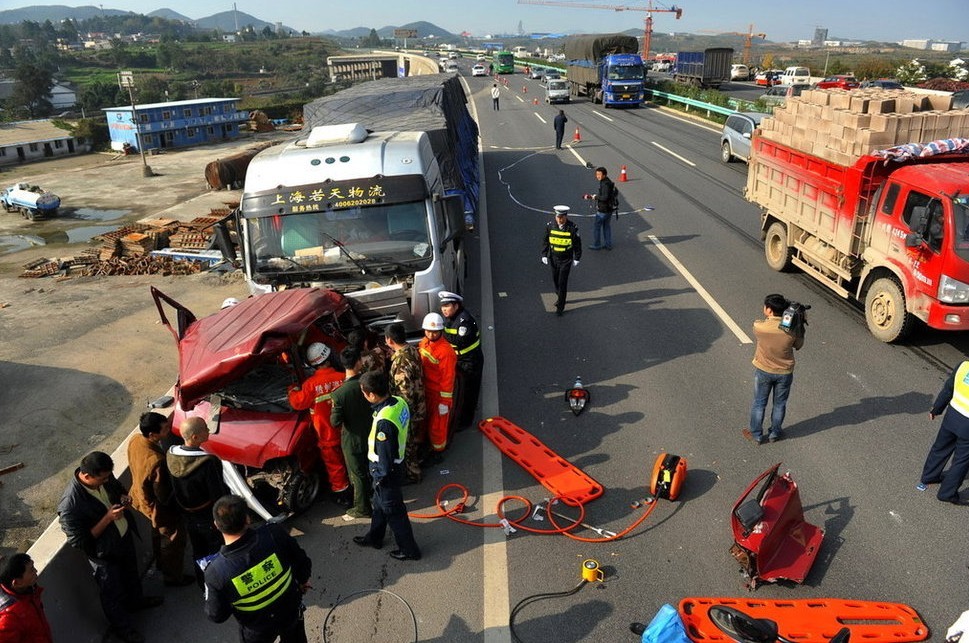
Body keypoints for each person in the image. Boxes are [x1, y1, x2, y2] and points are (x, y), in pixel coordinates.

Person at [58, 451, 163, 643]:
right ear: (87, 476)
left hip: (123, 539)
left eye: (108, 476)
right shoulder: (70, 505)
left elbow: (116, 486)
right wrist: (107, 519)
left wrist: (123, 496)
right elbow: (79, 541)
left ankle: (136, 602)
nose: (106, 480)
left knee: (131, 575)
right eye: (102, 478)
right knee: (111, 594)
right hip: (104, 555)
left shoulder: (105, 477)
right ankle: (124, 630)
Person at [204, 495, 312, 643]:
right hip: (290, 613)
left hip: (256, 631)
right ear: (248, 519)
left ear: (216, 525)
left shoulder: (215, 572)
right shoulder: (274, 534)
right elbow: (302, 562)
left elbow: (216, 615)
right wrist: (303, 581)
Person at [352, 370, 422, 561]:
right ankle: (375, 538)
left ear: (372, 395)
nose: (364, 395)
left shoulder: (384, 422)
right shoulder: (398, 402)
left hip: (386, 473)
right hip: (394, 467)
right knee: (379, 506)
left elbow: (385, 456)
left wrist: (380, 478)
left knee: (395, 513)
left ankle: (409, 550)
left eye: (364, 392)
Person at [127, 411, 192, 588]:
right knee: (173, 541)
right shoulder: (157, 461)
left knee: (158, 536)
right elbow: (164, 494)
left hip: (140, 500)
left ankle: (161, 564)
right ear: (152, 435)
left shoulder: (135, 441)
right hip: (159, 509)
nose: (168, 430)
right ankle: (173, 577)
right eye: (164, 429)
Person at [167, 416, 229, 584]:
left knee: (198, 549)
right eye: (205, 429)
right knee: (215, 550)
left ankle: (203, 582)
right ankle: (217, 583)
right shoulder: (207, 463)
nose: (209, 431)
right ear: (195, 437)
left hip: (186, 514)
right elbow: (218, 494)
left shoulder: (171, 455)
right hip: (207, 515)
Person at [288, 342, 351, 505]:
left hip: (327, 434)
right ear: (329, 357)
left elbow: (297, 403)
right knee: (353, 461)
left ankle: (343, 494)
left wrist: (292, 389)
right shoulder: (342, 377)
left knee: (335, 466)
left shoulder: (310, 385)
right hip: (347, 430)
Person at [743, 294, 804, 445]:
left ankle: (756, 434)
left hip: (764, 371)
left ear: (769, 310)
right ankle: (775, 433)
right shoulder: (791, 331)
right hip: (784, 373)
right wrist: (799, 324)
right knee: (779, 404)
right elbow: (799, 345)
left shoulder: (759, 327)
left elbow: (760, 324)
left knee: (759, 403)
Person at [330, 345, 375, 520]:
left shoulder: (339, 394)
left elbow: (335, 422)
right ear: (358, 363)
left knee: (357, 475)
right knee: (372, 469)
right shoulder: (368, 383)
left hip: (353, 440)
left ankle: (362, 508)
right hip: (371, 434)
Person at [919, 360, 969, 505]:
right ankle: (947, 493)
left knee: (940, 448)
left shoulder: (963, 366)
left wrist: (936, 409)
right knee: (961, 461)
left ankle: (929, 476)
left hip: (952, 416)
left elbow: (948, 389)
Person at [384, 322, 428, 482]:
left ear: (389, 340)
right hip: (420, 403)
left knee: (407, 444)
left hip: (409, 410)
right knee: (415, 439)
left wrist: (402, 416)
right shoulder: (411, 350)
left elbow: (405, 393)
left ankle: (413, 474)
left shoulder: (400, 363)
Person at [438, 291, 483, 431]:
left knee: (469, 391)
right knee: (460, 389)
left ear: (456, 306)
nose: (444, 309)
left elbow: (459, 341)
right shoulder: (451, 318)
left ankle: (465, 421)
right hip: (459, 360)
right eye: (442, 306)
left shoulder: (464, 321)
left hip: (470, 361)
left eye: (447, 306)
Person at [418, 313, 458, 456]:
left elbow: (448, 379)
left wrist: (444, 402)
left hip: (438, 395)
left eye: (434, 332)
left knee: (438, 427)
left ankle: (438, 451)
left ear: (440, 331)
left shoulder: (446, 352)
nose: (431, 334)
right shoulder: (424, 342)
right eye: (428, 331)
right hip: (426, 390)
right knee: (425, 421)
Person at [0, 553, 53, 643]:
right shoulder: (8, 619)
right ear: (16, 583)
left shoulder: (28, 590)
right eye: (31, 570)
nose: (36, 571)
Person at [541, 205, 582, 316]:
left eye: (562, 217)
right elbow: (546, 241)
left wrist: (577, 257)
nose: (560, 220)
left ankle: (560, 307)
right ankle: (560, 296)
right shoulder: (550, 226)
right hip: (554, 258)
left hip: (566, 259)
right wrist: (544, 254)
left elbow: (577, 244)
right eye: (558, 217)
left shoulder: (573, 228)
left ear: (566, 217)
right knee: (555, 280)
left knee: (562, 282)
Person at [583, 166, 617, 250]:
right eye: (596, 174)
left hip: (603, 209)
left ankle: (597, 244)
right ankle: (608, 244)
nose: (597, 176)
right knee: (606, 226)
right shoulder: (608, 182)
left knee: (597, 227)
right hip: (609, 208)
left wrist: (596, 197)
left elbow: (605, 197)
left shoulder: (605, 184)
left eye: (599, 174)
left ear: (604, 175)